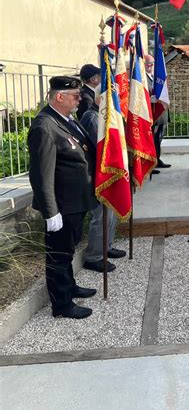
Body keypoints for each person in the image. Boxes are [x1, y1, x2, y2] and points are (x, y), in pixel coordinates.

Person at [27, 76, 96, 319]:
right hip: (62, 205)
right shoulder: (44, 126)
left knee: (68, 249)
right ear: (59, 96)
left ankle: (70, 286)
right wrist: (50, 211)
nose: (80, 100)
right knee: (58, 254)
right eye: (76, 96)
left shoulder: (65, 120)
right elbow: (41, 174)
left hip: (75, 202)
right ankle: (62, 304)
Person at [80, 86, 126, 272]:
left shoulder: (104, 116)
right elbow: (103, 145)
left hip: (110, 170)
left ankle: (106, 247)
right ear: (100, 99)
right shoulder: (92, 117)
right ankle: (94, 256)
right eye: (110, 97)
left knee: (111, 213)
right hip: (100, 172)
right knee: (101, 216)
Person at [145, 54, 171, 175]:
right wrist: (150, 99)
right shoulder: (143, 78)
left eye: (151, 64)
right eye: (147, 64)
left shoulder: (156, 77)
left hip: (161, 113)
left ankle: (157, 159)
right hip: (153, 114)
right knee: (153, 140)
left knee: (159, 138)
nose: (150, 67)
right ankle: (151, 163)